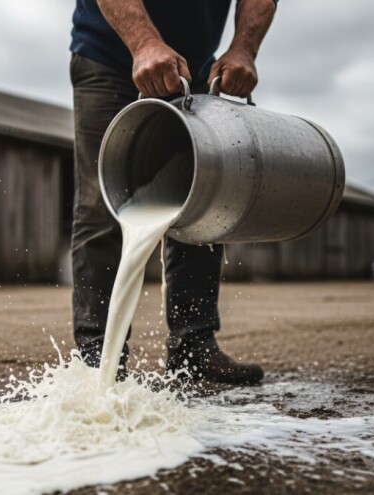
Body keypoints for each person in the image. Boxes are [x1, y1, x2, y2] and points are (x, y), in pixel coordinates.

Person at [70, 0, 277, 385]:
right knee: (104, 202)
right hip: (109, 57)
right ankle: (97, 360)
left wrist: (244, 49)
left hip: (195, 69)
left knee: (206, 196)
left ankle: (193, 349)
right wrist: (143, 43)